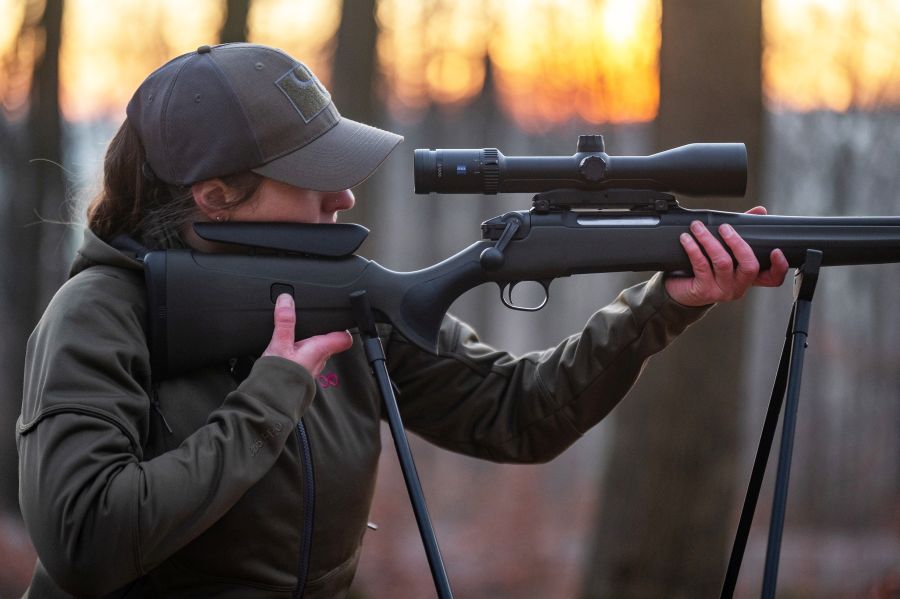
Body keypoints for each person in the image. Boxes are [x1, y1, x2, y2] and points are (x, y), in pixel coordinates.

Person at [16, 43, 788, 598]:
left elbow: (519, 414)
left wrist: (660, 305)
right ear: (216, 195)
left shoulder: (345, 295)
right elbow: (85, 543)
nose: (345, 197)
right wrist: (270, 397)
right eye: (315, 177)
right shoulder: (99, 315)